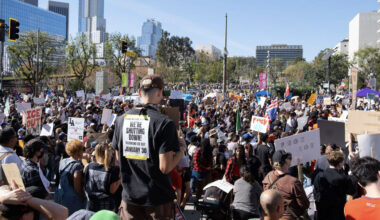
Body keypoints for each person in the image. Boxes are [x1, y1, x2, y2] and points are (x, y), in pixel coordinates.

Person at [113, 75, 186, 219]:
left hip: (129, 200)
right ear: (159, 93)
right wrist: (182, 150)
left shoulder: (121, 120)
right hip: (157, 202)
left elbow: (117, 158)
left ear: (139, 93)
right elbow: (165, 167)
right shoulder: (165, 123)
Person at [263, 150, 309, 220]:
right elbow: (304, 205)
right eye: (289, 158)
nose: (290, 159)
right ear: (285, 161)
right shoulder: (293, 182)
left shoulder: (268, 177)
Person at [313, 150, 354, 220]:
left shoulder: (319, 176)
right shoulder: (345, 179)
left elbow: (316, 195)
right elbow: (350, 198)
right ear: (340, 163)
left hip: (322, 213)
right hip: (338, 213)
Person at [83, 143, 121, 212]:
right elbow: (112, 190)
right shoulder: (113, 170)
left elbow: (85, 185)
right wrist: (120, 179)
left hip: (91, 204)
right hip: (107, 206)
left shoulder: (89, 167)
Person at [54, 139, 86, 215]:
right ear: (78, 151)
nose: (83, 151)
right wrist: (84, 196)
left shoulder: (63, 161)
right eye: (82, 149)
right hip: (72, 199)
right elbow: (77, 188)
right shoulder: (77, 166)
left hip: (61, 195)